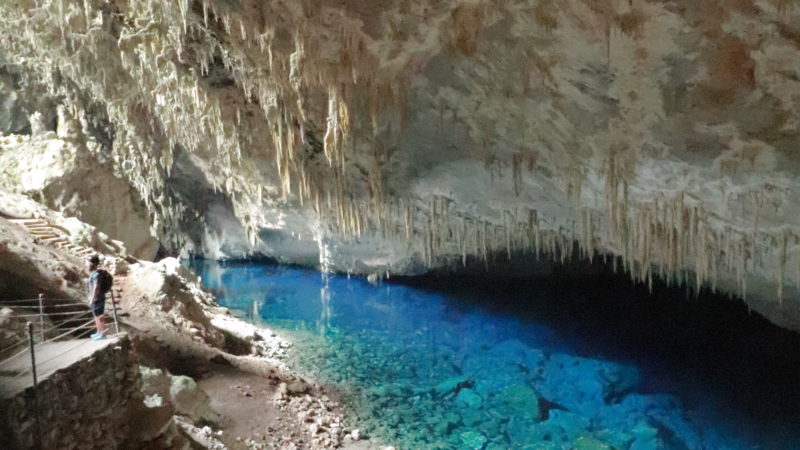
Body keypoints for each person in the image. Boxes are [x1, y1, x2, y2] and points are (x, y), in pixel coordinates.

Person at [86, 254, 109, 340]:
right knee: (96, 315)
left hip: (97, 298)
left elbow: (96, 287)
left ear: (91, 264)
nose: (86, 264)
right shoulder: (93, 273)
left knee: (99, 316)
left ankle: (103, 333)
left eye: (87, 262)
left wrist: (92, 298)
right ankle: (99, 332)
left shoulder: (96, 275)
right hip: (96, 298)